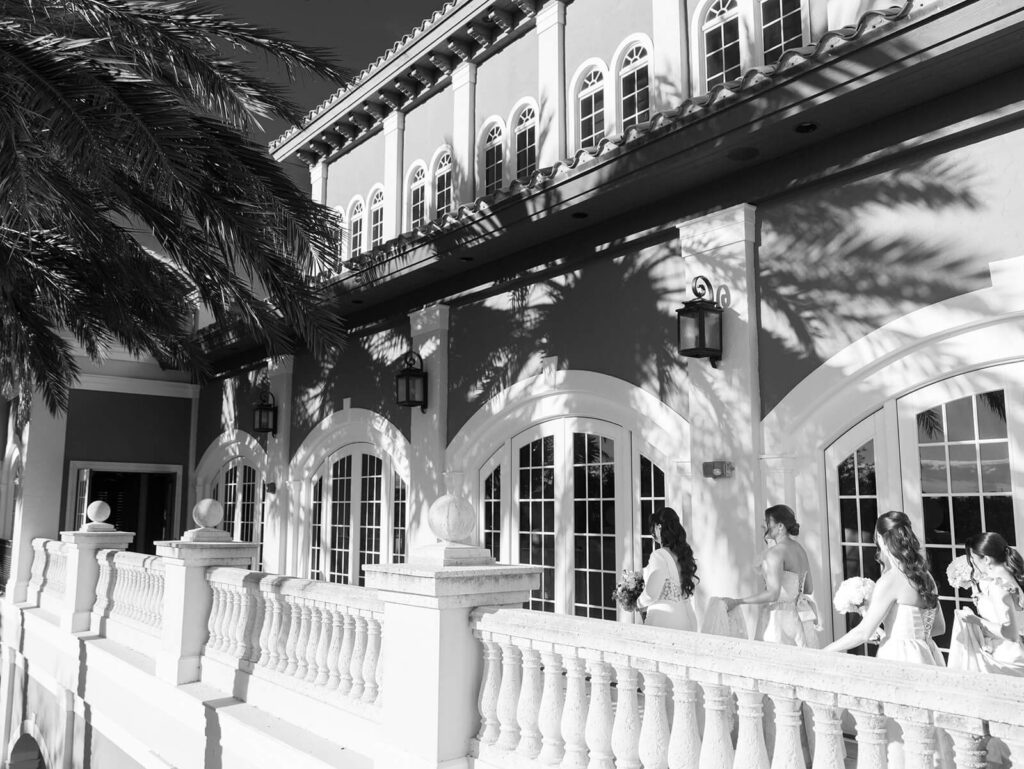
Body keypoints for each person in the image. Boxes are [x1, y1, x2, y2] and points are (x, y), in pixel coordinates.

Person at [722, 504, 821, 647]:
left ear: (780, 526)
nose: (765, 526)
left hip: (778, 622)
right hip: (798, 621)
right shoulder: (800, 550)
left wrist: (737, 601)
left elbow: (773, 594)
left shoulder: (776, 552)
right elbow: (808, 588)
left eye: (768, 522)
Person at [948, 532, 1024, 676]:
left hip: (1007, 656)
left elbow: (1011, 634)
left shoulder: (997, 585)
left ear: (987, 559)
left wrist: (977, 621)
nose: (973, 564)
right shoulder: (1015, 577)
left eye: (974, 559)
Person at [637, 507, 698, 631]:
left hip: (663, 621)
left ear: (659, 528)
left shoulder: (659, 556)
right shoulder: (684, 555)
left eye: (653, 528)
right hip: (685, 620)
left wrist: (637, 603)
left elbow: (651, 593)